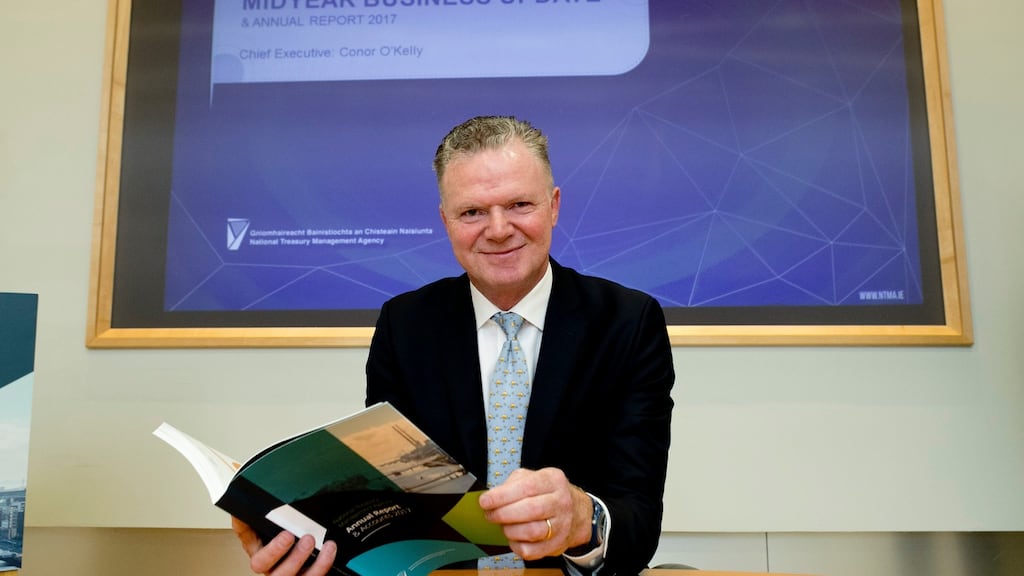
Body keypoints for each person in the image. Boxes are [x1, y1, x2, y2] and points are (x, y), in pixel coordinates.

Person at [233, 116, 675, 576]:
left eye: (520, 204)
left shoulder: (627, 322)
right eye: (473, 212)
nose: (499, 229)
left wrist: (585, 519)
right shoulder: (405, 325)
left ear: (554, 205)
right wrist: (309, 552)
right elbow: (388, 508)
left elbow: (638, 519)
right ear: (446, 221)